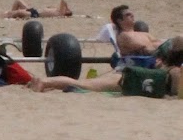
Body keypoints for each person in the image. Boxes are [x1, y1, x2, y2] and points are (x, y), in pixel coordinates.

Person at [30, 34, 183, 95]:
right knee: (84, 85)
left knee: (87, 83)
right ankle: (45, 82)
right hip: (130, 79)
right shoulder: (176, 72)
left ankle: (48, 83)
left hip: (133, 73)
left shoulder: (167, 65)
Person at [0, 0, 72, 19]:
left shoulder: (60, 13)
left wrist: (67, 8)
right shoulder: (57, 10)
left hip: (34, 14)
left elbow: (63, 0)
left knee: (17, 12)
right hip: (33, 10)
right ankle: (9, 15)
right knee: (18, 1)